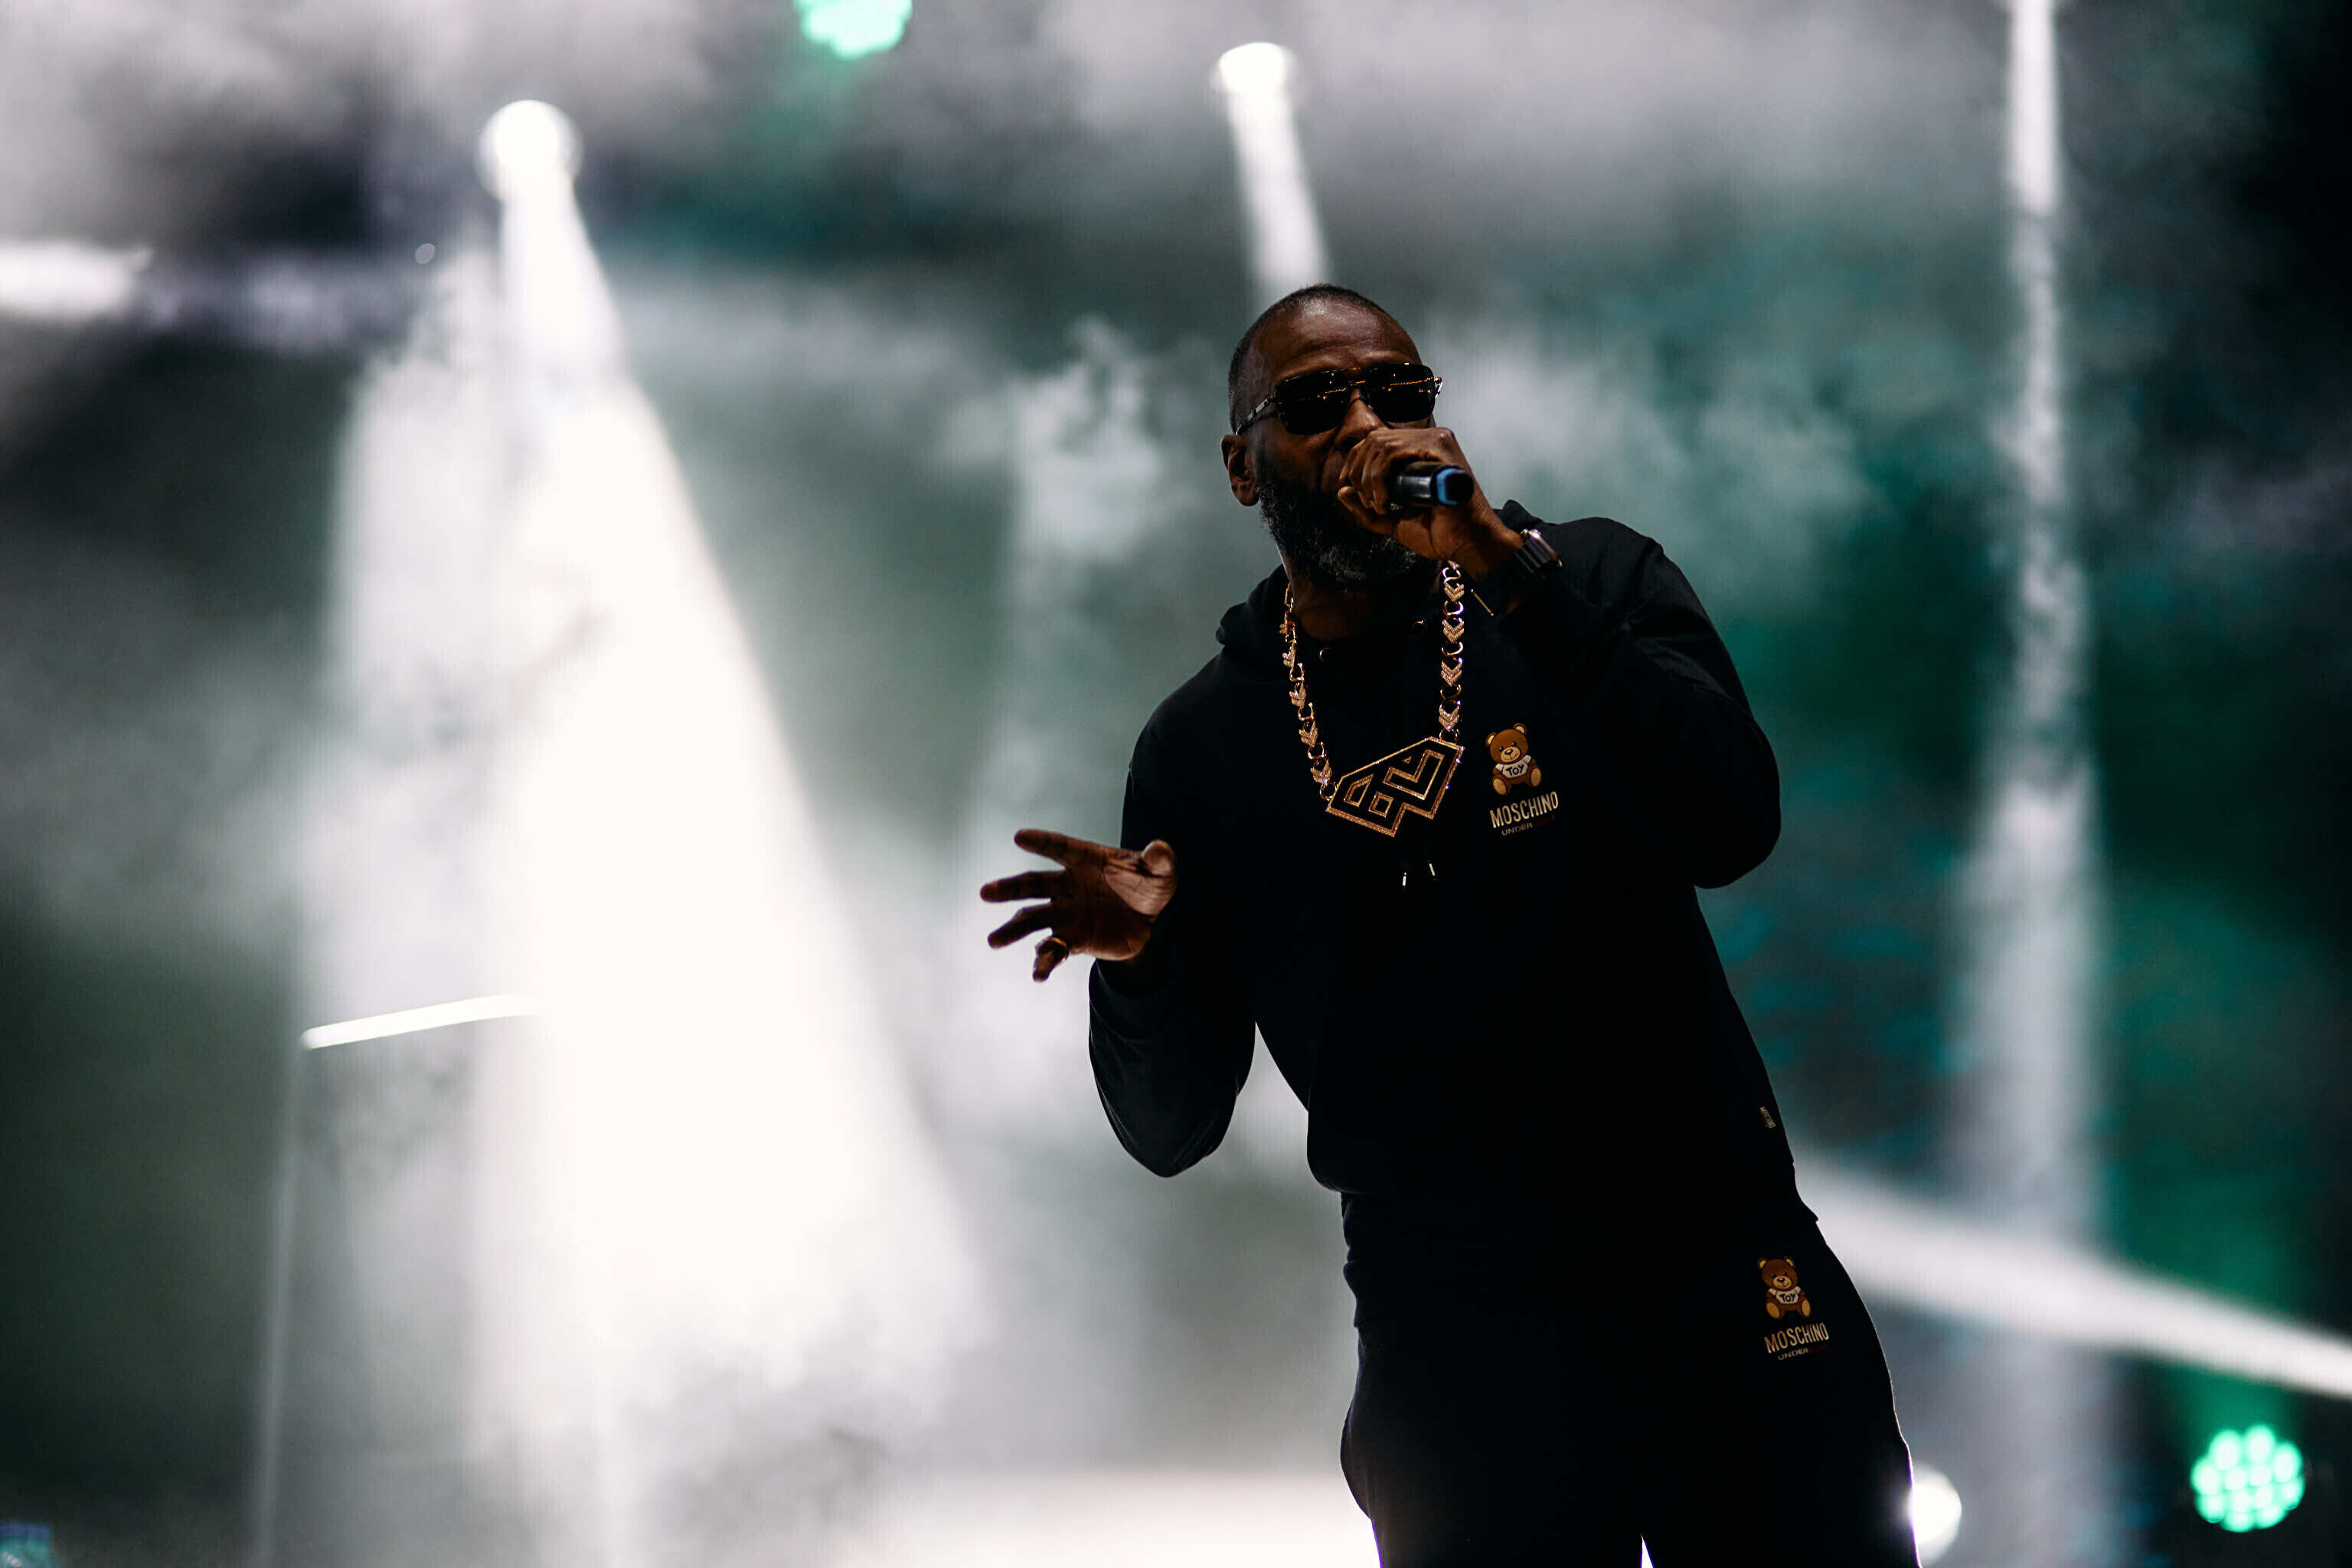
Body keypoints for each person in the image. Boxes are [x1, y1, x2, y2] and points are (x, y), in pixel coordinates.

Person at [979, 284, 1918, 1567]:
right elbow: (1169, 1128)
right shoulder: (1202, 749)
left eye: (1399, 392)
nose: (1369, 423)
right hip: (1457, 1327)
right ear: (1242, 467)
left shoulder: (1591, 579)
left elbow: (1730, 824)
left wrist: (1507, 568)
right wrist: (1142, 966)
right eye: (1318, 402)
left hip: (1708, 1248)